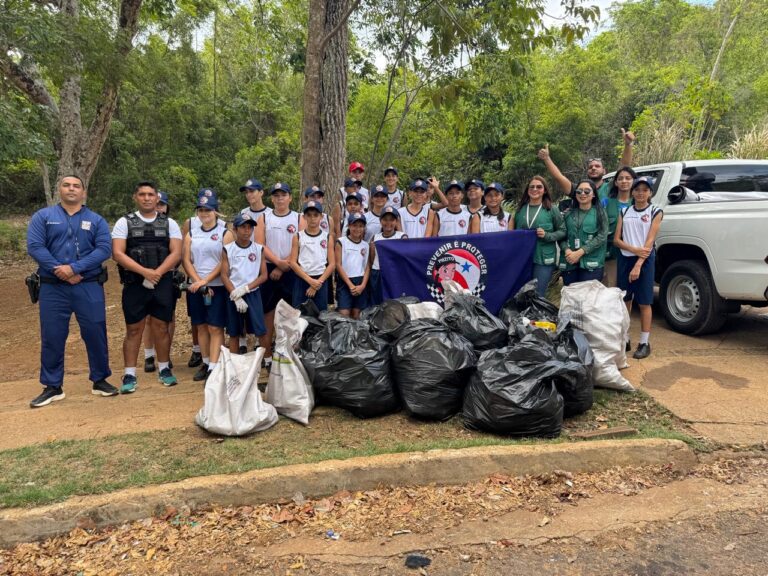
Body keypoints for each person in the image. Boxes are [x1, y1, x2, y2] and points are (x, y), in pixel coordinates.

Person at [27, 175, 117, 408]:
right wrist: (60, 270)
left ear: (84, 192)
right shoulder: (43, 217)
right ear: (60, 190)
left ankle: (100, 380)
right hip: (53, 287)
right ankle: (52, 386)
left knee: (96, 331)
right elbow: (35, 246)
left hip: (87, 285)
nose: (71, 189)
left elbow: (104, 249)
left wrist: (75, 268)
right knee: (53, 335)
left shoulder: (96, 220)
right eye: (67, 185)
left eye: (76, 186)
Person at [112, 181, 182, 392]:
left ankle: (164, 369)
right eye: (142, 194)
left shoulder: (170, 223)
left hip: (162, 282)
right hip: (135, 283)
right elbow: (117, 253)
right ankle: (129, 375)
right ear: (136, 197)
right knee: (134, 330)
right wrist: (145, 272)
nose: (147, 198)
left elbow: (176, 252)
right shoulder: (124, 222)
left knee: (161, 327)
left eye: (151, 194)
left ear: (157, 198)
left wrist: (157, 273)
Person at [614, 176, 663, 360]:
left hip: (645, 260)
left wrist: (638, 264)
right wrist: (633, 249)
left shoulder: (655, 211)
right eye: (638, 189)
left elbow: (649, 242)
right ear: (632, 192)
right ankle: (625, 338)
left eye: (645, 190)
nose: (641, 193)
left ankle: (644, 342)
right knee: (625, 300)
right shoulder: (624, 212)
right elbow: (617, 240)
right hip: (626, 257)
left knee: (644, 301)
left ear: (650, 193)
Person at [182, 192, 229, 381]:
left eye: (208, 210)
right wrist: (197, 281)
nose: (204, 213)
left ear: (216, 211)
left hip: (216, 286)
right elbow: (186, 259)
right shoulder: (192, 233)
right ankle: (207, 361)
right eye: (201, 210)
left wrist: (206, 280)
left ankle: (216, 366)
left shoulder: (225, 232)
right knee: (200, 326)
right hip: (196, 287)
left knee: (215, 327)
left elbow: (224, 262)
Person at [256, 182, 298, 364]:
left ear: (290, 197)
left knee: (291, 314)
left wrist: (284, 265)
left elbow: (301, 243)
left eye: (284, 195)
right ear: (272, 198)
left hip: (291, 268)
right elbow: (260, 245)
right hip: (269, 267)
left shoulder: (299, 218)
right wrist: (277, 263)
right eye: (277, 195)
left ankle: (289, 356)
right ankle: (266, 357)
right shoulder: (264, 218)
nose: (280, 198)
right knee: (268, 313)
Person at [537, 129, 636, 201]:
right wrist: (547, 159)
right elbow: (559, 177)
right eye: (590, 167)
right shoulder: (580, 190)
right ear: (587, 171)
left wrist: (628, 145)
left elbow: (624, 167)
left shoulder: (611, 187)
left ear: (604, 171)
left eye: (597, 166)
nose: (593, 168)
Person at [222, 214, 268, 354]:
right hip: (234, 294)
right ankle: (235, 363)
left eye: (250, 227)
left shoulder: (258, 249)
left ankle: (267, 361)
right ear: (235, 229)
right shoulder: (227, 249)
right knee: (234, 332)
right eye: (243, 227)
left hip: (252, 293)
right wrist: (235, 295)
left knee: (260, 330)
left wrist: (247, 288)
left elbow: (264, 275)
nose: (247, 231)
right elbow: (224, 275)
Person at [512, 176, 565, 297]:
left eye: (539, 187)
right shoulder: (520, 210)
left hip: (543, 259)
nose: (535, 189)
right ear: (527, 190)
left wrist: (547, 235)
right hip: (524, 258)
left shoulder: (552, 209)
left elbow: (563, 231)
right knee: (522, 293)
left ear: (545, 190)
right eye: (532, 187)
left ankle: (537, 316)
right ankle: (523, 316)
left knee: (538, 294)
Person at [142, 191, 177, 372]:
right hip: (144, 277)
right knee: (148, 318)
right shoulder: (141, 224)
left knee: (167, 319)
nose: (159, 208)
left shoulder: (171, 226)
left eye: (162, 205)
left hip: (166, 277)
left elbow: (178, 252)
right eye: (157, 204)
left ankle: (165, 354)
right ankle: (149, 355)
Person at [558, 180, 609, 286]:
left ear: (594, 194)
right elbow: (561, 235)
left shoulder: (600, 213)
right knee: (572, 299)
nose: (582, 194)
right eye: (579, 191)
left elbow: (602, 236)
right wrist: (567, 251)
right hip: (569, 263)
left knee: (588, 300)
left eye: (587, 191)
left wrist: (580, 252)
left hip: (591, 264)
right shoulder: (568, 214)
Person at [289, 200, 335, 311]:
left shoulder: (327, 237)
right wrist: (310, 281)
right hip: (302, 279)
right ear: (304, 217)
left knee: (320, 317)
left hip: (321, 280)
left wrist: (318, 283)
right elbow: (292, 262)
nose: (312, 218)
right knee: (300, 316)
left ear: (321, 217)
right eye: (309, 215)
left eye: (315, 215)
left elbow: (332, 264)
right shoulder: (298, 236)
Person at [602, 166, 637, 288]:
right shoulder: (606, 203)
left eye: (628, 178)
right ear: (615, 183)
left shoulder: (638, 203)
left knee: (628, 289)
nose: (624, 181)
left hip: (633, 254)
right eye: (620, 178)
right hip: (611, 254)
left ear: (633, 181)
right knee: (610, 288)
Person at [369, 206, 407, 305]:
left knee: (394, 303)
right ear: (380, 221)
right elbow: (371, 260)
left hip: (395, 274)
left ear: (396, 221)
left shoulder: (402, 236)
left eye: (391, 220)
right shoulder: (375, 238)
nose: (388, 223)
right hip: (378, 273)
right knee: (377, 304)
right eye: (385, 219)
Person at [336, 212, 370, 318]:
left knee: (357, 315)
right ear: (349, 226)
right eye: (354, 225)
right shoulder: (341, 242)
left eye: (360, 226)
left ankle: (356, 335)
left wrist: (363, 285)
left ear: (364, 228)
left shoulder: (365, 245)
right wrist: (350, 285)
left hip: (360, 282)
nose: (357, 229)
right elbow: (338, 265)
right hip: (345, 282)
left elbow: (367, 266)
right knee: (344, 315)